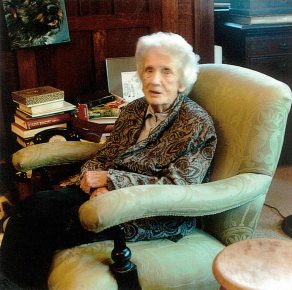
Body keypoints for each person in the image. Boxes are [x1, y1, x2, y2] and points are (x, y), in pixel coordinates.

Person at [0, 32, 217, 289]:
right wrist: (91, 181)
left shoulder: (196, 124)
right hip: (101, 196)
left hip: (148, 211)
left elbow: (180, 186)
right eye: (148, 70)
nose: (155, 80)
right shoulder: (134, 110)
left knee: (40, 223)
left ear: (182, 81)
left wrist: (111, 183)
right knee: (34, 206)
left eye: (167, 71)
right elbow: (105, 154)